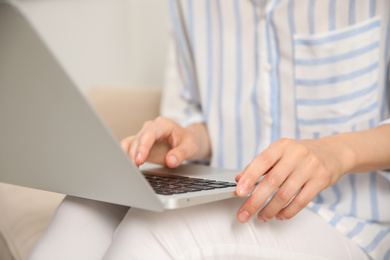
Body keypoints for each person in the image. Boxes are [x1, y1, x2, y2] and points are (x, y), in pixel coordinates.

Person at [29, 0, 390, 259]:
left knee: (151, 234)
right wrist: (189, 141)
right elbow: (200, 115)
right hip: (227, 194)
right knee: (83, 209)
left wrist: (338, 152)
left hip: (350, 219)